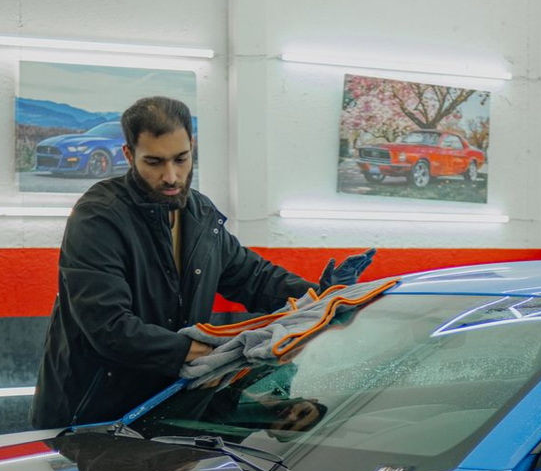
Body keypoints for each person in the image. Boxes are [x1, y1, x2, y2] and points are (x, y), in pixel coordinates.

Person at [32, 96, 373, 428]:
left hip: (165, 405)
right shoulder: (98, 218)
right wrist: (215, 355)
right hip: (90, 415)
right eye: (154, 162)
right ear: (128, 154)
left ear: (192, 147)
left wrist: (323, 297)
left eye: (181, 159)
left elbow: (253, 277)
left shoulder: (199, 213)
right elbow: (109, 328)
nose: (171, 176)